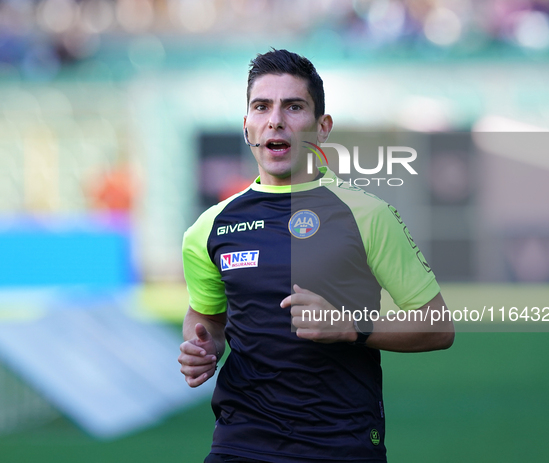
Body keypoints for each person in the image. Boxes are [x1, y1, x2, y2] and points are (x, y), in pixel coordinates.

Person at [178, 49, 455, 463]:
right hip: (241, 442)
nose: (276, 120)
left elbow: (438, 327)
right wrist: (202, 347)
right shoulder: (209, 228)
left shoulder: (367, 215)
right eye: (262, 107)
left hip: (341, 445)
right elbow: (207, 318)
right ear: (247, 126)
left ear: (321, 127)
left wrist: (351, 329)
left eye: (293, 106)